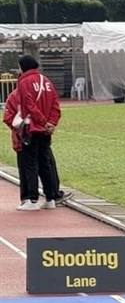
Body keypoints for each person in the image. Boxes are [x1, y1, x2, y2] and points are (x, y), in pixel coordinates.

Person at [14, 55, 61, 210]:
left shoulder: (24, 82)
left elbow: (28, 105)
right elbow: (55, 104)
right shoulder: (46, 81)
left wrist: (41, 121)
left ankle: (30, 199)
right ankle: (50, 198)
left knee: (30, 163)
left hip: (31, 128)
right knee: (44, 163)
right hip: (46, 130)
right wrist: (51, 123)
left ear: (23, 66)